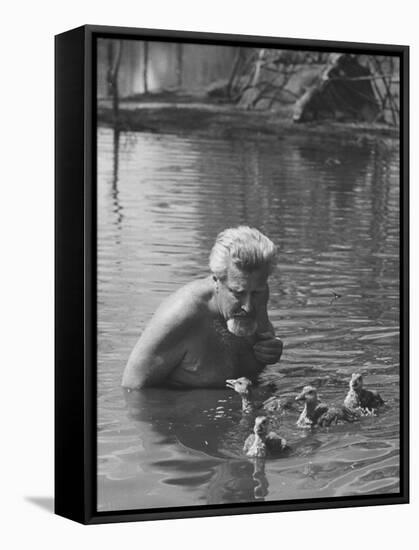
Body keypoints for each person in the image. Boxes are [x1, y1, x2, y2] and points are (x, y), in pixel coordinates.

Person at [122, 226, 283, 389]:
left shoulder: (256, 291)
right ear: (217, 280)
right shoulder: (181, 314)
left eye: (256, 292)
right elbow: (132, 391)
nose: (248, 307)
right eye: (237, 293)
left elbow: (262, 345)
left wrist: (271, 350)